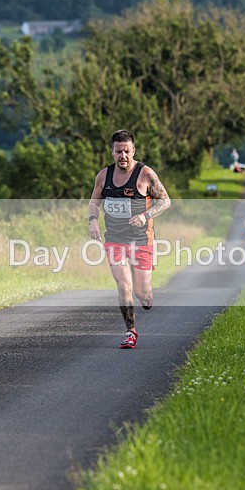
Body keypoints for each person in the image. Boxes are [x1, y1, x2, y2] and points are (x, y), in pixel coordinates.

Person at [88, 130, 171, 349]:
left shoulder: (145, 174)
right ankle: (130, 332)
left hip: (141, 240)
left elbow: (165, 201)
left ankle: (147, 294)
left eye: (127, 151)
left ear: (133, 151)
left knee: (140, 292)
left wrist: (145, 216)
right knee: (123, 285)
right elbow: (95, 201)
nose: (123, 155)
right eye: (118, 151)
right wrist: (92, 220)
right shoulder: (103, 176)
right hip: (115, 239)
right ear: (112, 152)